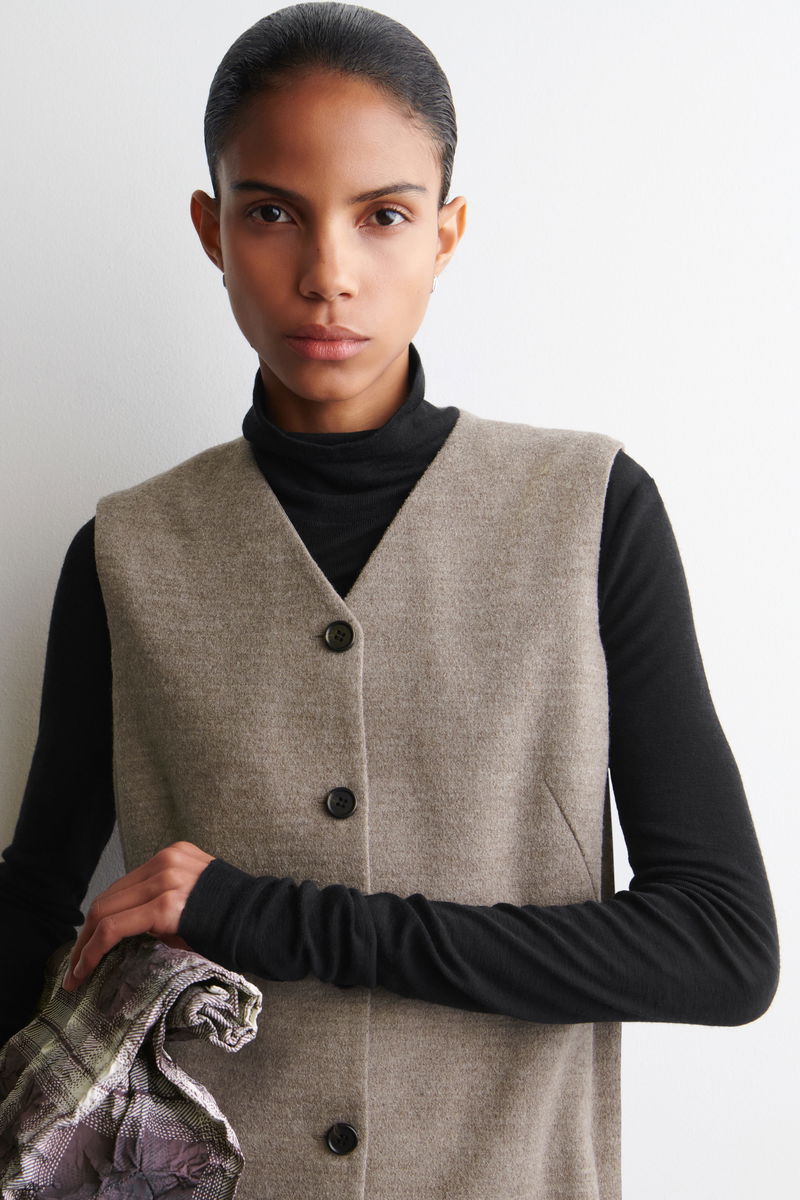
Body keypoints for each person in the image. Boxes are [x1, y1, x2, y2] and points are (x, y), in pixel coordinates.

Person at [0, 4, 779, 1198]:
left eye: (383, 215)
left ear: (445, 231)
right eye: (272, 212)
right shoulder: (124, 554)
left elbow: (719, 950)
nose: (327, 274)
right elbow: (33, 920)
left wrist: (260, 915)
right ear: (211, 228)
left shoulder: (588, 513)